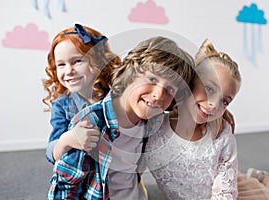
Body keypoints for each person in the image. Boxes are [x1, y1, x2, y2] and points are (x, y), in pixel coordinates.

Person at [45, 35, 197, 199]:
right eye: (152, 79)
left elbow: (192, 103)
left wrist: (217, 111)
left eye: (169, 89)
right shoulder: (90, 123)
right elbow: (66, 184)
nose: (158, 95)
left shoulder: (153, 119)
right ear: (130, 75)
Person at [142, 38, 241, 199]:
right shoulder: (154, 126)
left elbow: (225, 193)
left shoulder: (221, 135)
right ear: (189, 83)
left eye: (224, 101)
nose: (214, 104)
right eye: (209, 89)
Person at [42, 23, 121, 199]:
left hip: (117, 169)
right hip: (83, 176)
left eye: (77, 61)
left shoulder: (114, 95)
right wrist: (67, 140)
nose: (68, 71)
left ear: (98, 61)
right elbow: (52, 153)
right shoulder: (62, 105)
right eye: (61, 64)